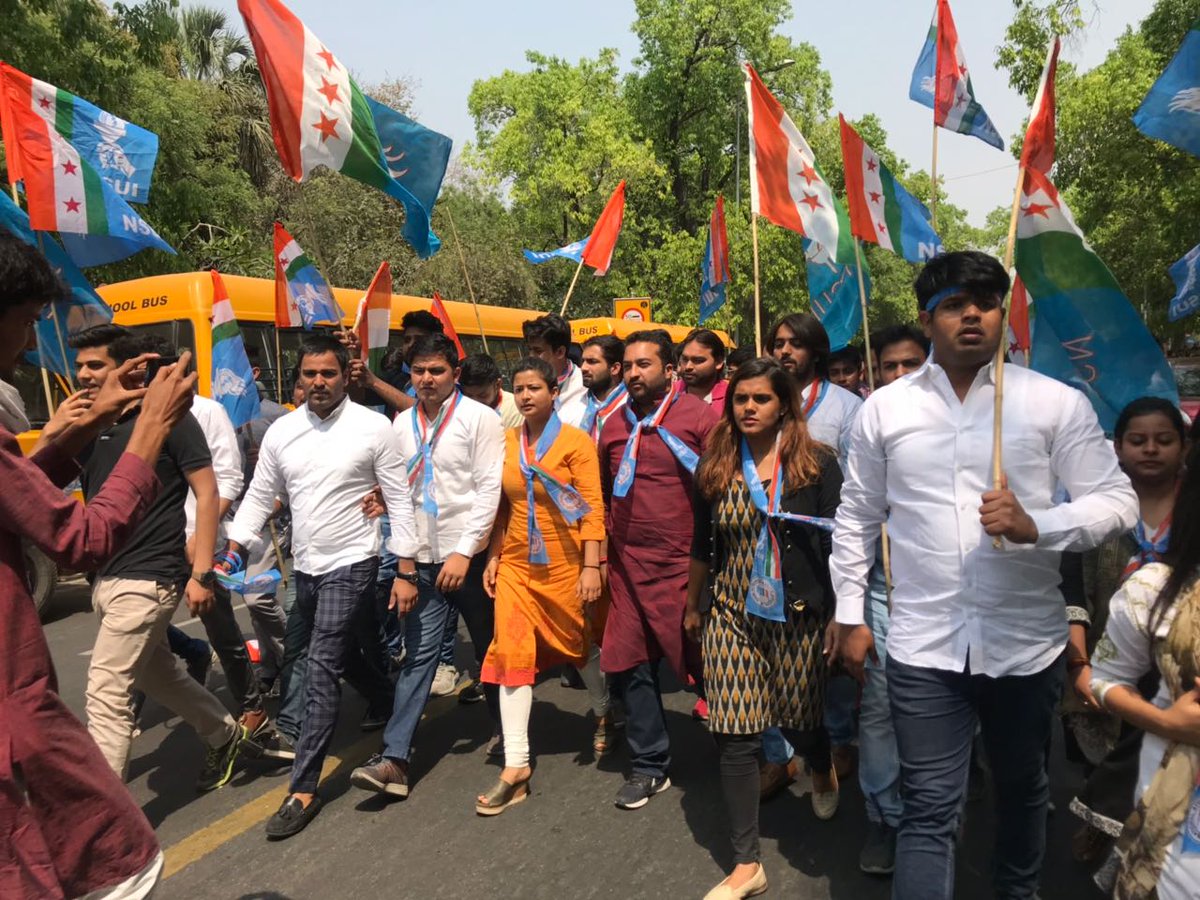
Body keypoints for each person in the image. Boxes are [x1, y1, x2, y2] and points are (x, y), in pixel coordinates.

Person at [829, 250, 1139, 900]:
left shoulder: (1055, 403)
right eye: (953, 304)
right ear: (927, 318)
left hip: (1026, 648)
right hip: (922, 647)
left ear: (1003, 313)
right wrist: (851, 612)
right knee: (930, 806)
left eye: (986, 302)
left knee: (1023, 790)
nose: (972, 314)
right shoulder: (884, 410)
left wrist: (1039, 526)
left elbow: (1117, 502)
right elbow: (857, 515)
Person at [0, 234, 199, 898]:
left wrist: (85, 429)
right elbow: (78, 538)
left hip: (150, 575)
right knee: (126, 867)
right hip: (16, 715)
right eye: (27, 322)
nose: (31, 347)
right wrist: (150, 426)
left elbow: (18, 497)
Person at [223, 333, 418, 839]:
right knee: (340, 654)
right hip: (305, 566)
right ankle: (394, 702)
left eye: (328, 373)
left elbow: (399, 499)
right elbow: (260, 494)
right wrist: (236, 545)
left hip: (354, 561)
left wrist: (405, 569)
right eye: (309, 374)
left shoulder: (375, 428)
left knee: (319, 664)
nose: (318, 382)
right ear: (299, 378)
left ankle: (303, 787)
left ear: (344, 375)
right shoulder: (282, 432)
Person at [684, 357, 843, 899]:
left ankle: (818, 763)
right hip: (732, 611)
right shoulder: (717, 463)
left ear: (784, 406)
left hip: (798, 614)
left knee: (800, 718)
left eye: (761, 399)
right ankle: (747, 864)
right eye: (740, 399)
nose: (748, 407)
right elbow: (703, 542)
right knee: (735, 734)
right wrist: (693, 604)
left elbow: (836, 545)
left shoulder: (817, 464)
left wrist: (841, 616)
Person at [76, 329, 245, 791]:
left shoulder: (170, 419)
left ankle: (106, 819)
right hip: (106, 577)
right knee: (158, 674)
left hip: (149, 576)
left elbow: (208, 492)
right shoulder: (91, 425)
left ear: (130, 368)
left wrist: (202, 573)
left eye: (95, 365)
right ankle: (225, 733)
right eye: (81, 366)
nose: (84, 374)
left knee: (107, 692)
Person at [350, 333, 505, 800]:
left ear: (454, 375)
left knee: (490, 649)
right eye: (418, 372)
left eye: (436, 371)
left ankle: (510, 735)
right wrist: (403, 556)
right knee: (417, 656)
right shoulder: (400, 426)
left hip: (471, 560)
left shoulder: (480, 420)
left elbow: (488, 492)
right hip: (421, 560)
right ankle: (395, 759)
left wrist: (463, 552)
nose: (426, 380)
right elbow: (401, 491)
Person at [473, 357, 606, 815]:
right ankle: (517, 765)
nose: (526, 395)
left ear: (553, 392)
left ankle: (603, 707)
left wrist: (592, 567)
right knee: (510, 651)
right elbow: (500, 507)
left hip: (566, 562)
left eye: (535, 388)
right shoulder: (505, 442)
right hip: (516, 564)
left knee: (578, 644)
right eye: (519, 388)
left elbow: (591, 508)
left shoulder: (575, 443)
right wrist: (492, 556)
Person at [599, 329, 718, 809]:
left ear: (669, 371)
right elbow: (604, 492)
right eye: (627, 366)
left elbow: (725, 488)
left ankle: (754, 746)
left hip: (686, 565)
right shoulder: (611, 425)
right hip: (628, 565)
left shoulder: (700, 417)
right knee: (630, 663)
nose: (633, 374)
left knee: (707, 660)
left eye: (643, 365)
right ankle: (650, 764)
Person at [1068, 398, 1189, 863]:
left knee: (1164, 749)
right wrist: (1079, 662)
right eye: (1138, 441)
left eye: (1164, 440)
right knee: (1098, 746)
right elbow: (1071, 581)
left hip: (1174, 655)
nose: (1151, 450)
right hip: (1101, 649)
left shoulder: (1194, 508)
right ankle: (1099, 816)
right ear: (1117, 448)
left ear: (1184, 447)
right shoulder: (1097, 506)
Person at [1088, 439, 1200, 900]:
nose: (1150, 449)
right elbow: (1102, 680)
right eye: (1138, 439)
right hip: (1177, 845)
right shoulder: (1154, 593)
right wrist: (1167, 722)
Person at [764, 312, 863, 790]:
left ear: (815, 352)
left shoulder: (845, 408)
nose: (785, 352)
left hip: (825, 543)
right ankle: (779, 754)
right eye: (778, 343)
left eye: (795, 344)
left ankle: (842, 738)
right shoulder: (760, 401)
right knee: (772, 650)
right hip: (767, 548)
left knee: (832, 650)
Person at [851, 324, 930, 876]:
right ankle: (886, 817)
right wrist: (848, 612)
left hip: (951, 594)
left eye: (910, 365)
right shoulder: (867, 423)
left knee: (941, 708)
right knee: (879, 709)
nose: (898, 377)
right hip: (884, 587)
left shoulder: (966, 423)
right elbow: (855, 520)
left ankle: (934, 810)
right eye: (888, 367)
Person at [524, 312, 585, 419]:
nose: (531, 357)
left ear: (560, 352)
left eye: (538, 351)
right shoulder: (525, 388)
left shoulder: (584, 388)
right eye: (530, 350)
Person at [574, 334, 628, 442]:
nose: (583, 368)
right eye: (583, 361)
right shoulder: (575, 405)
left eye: (592, 362)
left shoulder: (630, 407)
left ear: (614, 368)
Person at [459, 352, 523, 429]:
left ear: (498, 385)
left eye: (482, 396)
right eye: (469, 396)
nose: (475, 403)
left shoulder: (514, 409)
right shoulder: (459, 409)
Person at [678, 328, 728, 406]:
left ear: (718, 362)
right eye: (685, 359)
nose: (688, 366)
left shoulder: (732, 397)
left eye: (698, 360)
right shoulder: (669, 394)